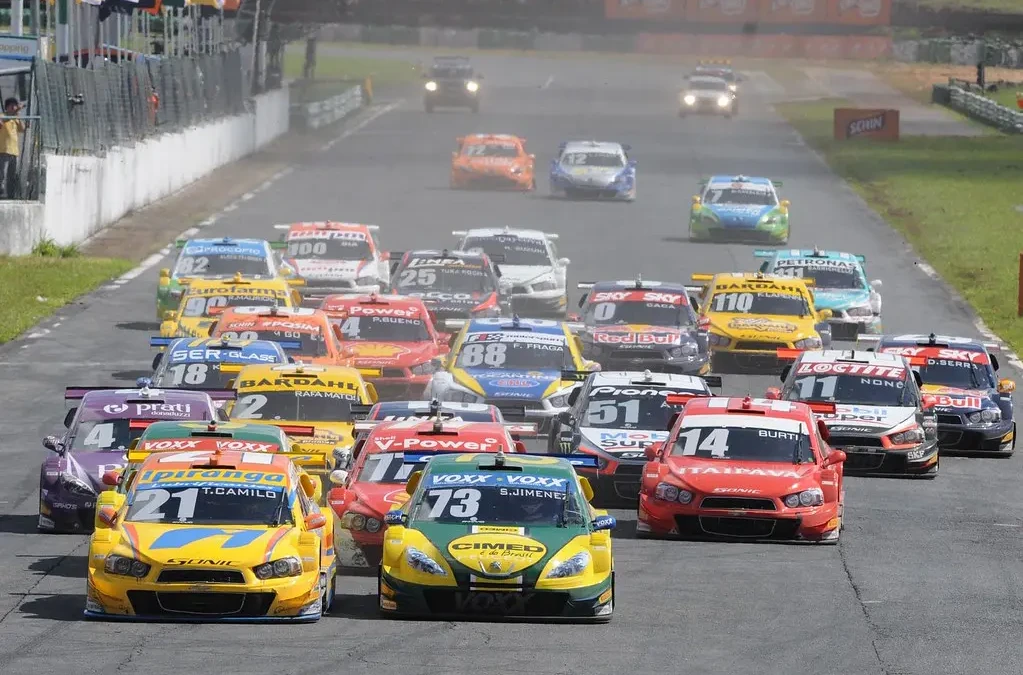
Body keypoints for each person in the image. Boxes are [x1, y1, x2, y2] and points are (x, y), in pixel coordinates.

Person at [0, 97, 25, 199]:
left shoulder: (15, 118)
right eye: (13, 106)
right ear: (8, 107)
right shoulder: (2, 116)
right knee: (2, 174)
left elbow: (22, 129)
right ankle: (1, 194)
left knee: (12, 175)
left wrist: (18, 116)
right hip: (4, 150)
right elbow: (2, 122)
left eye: (15, 106)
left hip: (14, 151)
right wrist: (16, 112)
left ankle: (11, 195)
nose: (15, 108)